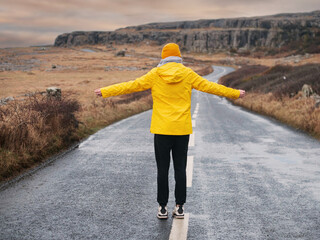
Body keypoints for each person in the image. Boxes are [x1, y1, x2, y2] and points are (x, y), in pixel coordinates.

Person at [94, 43, 245, 220]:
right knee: (180, 169)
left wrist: (105, 91)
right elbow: (210, 87)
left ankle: (162, 208)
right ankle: (180, 208)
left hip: (162, 129)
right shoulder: (187, 73)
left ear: (163, 56)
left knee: (162, 170)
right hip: (181, 130)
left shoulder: (155, 74)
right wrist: (235, 93)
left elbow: (130, 86)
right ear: (179, 56)